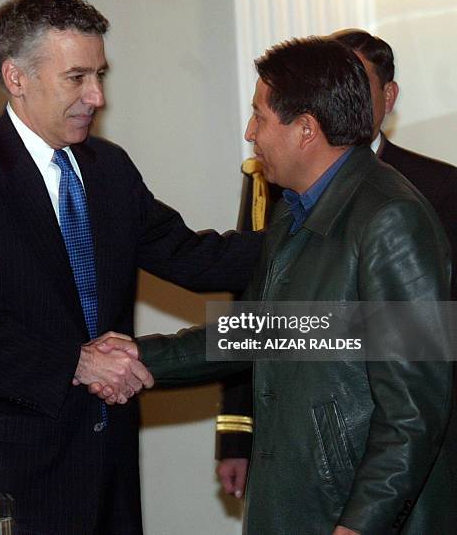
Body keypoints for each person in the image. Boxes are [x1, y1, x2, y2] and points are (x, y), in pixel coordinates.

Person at [0, 0, 263, 535]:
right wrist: (74, 362)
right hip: (8, 484)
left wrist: (325, 230)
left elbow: (196, 257)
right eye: (77, 77)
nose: (96, 96)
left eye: (101, 74)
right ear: (16, 77)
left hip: (108, 478)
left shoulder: (109, 168)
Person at [96, 37, 456, 533]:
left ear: (306, 129)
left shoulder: (391, 218)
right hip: (295, 501)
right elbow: (263, 332)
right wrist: (136, 357)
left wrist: (361, 523)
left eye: (260, 117)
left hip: (345, 513)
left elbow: (416, 407)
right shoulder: (294, 209)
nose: (251, 132)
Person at [215, 29, 457, 501]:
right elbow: (262, 317)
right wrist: (235, 430)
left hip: (395, 447)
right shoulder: (287, 196)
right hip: (309, 452)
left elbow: (418, 366)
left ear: (387, 96)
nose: (251, 132)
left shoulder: (423, 194)